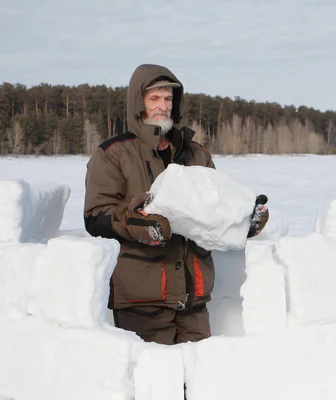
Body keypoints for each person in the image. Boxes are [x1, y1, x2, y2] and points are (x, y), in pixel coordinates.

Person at [84, 64, 268, 345]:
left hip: (194, 297)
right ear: (138, 102)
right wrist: (133, 222)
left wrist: (245, 221)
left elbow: (215, 209)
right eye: (154, 98)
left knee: (197, 381)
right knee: (152, 382)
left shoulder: (196, 153)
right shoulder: (114, 154)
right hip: (143, 297)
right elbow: (95, 216)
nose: (163, 106)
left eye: (168, 98)